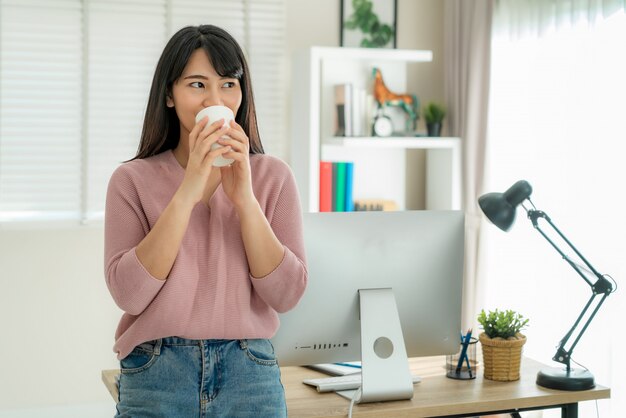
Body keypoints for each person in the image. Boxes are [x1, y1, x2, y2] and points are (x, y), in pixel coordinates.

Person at [104, 24, 307, 417]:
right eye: (197, 84)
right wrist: (187, 191)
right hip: (156, 372)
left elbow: (287, 295)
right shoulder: (130, 181)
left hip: (250, 372)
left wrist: (245, 200)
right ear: (168, 94)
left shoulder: (273, 177)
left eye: (228, 83)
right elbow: (129, 295)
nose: (215, 99)